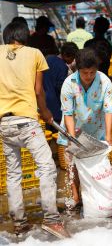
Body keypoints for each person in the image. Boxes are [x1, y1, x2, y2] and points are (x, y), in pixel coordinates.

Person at [0, 22, 69, 238]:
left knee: (13, 173)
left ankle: (19, 223)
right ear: (24, 37)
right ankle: (51, 219)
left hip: (4, 123)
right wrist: (47, 113)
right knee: (47, 167)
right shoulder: (35, 53)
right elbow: (39, 91)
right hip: (27, 122)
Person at [57, 48, 112, 212]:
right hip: (72, 129)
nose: (88, 76)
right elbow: (67, 113)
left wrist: (109, 135)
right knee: (71, 165)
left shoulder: (104, 82)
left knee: (97, 166)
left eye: (92, 72)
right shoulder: (69, 84)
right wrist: (72, 138)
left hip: (97, 130)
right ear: (78, 69)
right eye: (84, 72)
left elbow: (109, 109)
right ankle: (76, 196)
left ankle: (96, 196)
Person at [43, 42, 79, 132]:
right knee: (56, 131)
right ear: (66, 55)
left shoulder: (48, 59)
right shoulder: (63, 67)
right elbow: (62, 87)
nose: (73, 60)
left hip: (43, 101)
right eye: (73, 58)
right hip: (55, 104)